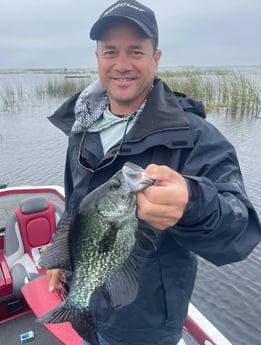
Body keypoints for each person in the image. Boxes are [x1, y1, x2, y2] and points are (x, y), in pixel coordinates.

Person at [47, 1, 261, 344]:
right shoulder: (82, 125)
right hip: (87, 305)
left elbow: (241, 231)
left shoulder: (193, 135)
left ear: (155, 59)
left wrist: (192, 203)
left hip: (145, 326)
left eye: (135, 51)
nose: (121, 64)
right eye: (110, 51)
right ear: (98, 58)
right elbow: (76, 202)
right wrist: (63, 257)